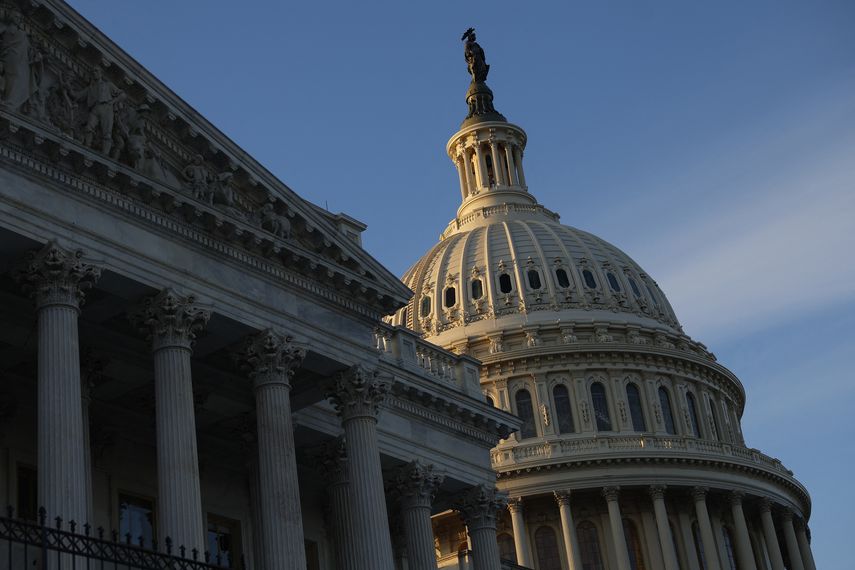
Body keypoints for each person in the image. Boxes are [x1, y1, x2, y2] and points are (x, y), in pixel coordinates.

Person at [73, 66, 125, 155]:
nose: (94, 73)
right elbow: (78, 96)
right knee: (89, 127)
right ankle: (87, 146)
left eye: (96, 71)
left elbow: (123, 95)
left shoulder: (108, 85)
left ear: (101, 73)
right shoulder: (90, 88)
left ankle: (105, 154)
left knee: (107, 133)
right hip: (95, 109)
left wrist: (112, 102)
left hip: (107, 108)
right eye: (93, 71)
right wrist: (68, 88)